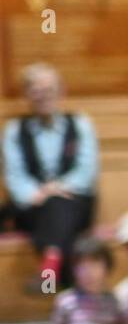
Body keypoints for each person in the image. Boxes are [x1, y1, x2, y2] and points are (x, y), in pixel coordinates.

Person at [3, 63, 99, 290]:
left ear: (61, 91)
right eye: (36, 90)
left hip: (75, 201)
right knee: (54, 206)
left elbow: (86, 171)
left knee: (59, 205)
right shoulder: (14, 130)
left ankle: (49, 270)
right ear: (26, 94)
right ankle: (58, 269)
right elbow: (15, 176)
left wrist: (56, 188)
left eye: (49, 89)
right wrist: (39, 193)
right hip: (32, 206)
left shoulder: (80, 124)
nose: (43, 96)